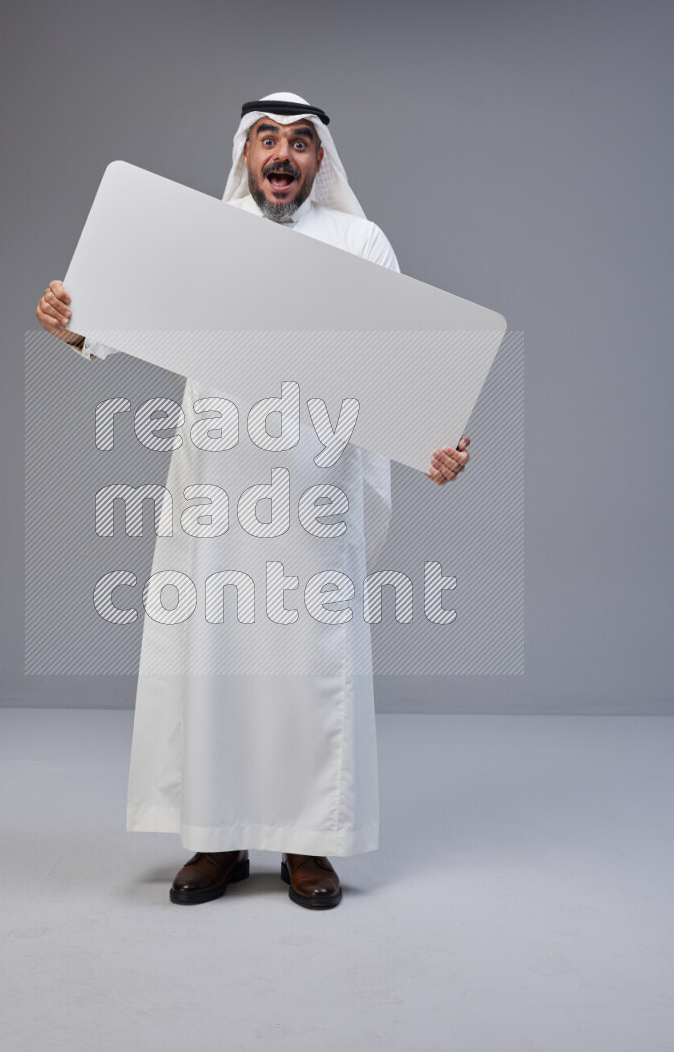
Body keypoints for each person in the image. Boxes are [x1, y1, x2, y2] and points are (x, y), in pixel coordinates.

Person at [35, 91, 470, 910]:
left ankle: (309, 845)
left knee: (309, 665)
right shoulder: (208, 234)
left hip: (313, 492)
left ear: (320, 161)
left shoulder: (359, 241)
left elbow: (404, 363)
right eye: (266, 138)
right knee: (215, 656)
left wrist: (432, 445)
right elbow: (127, 315)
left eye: (301, 142)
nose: (282, 154)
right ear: (244, 153)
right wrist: (75, 326)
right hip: (218, 486)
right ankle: (217, 837)